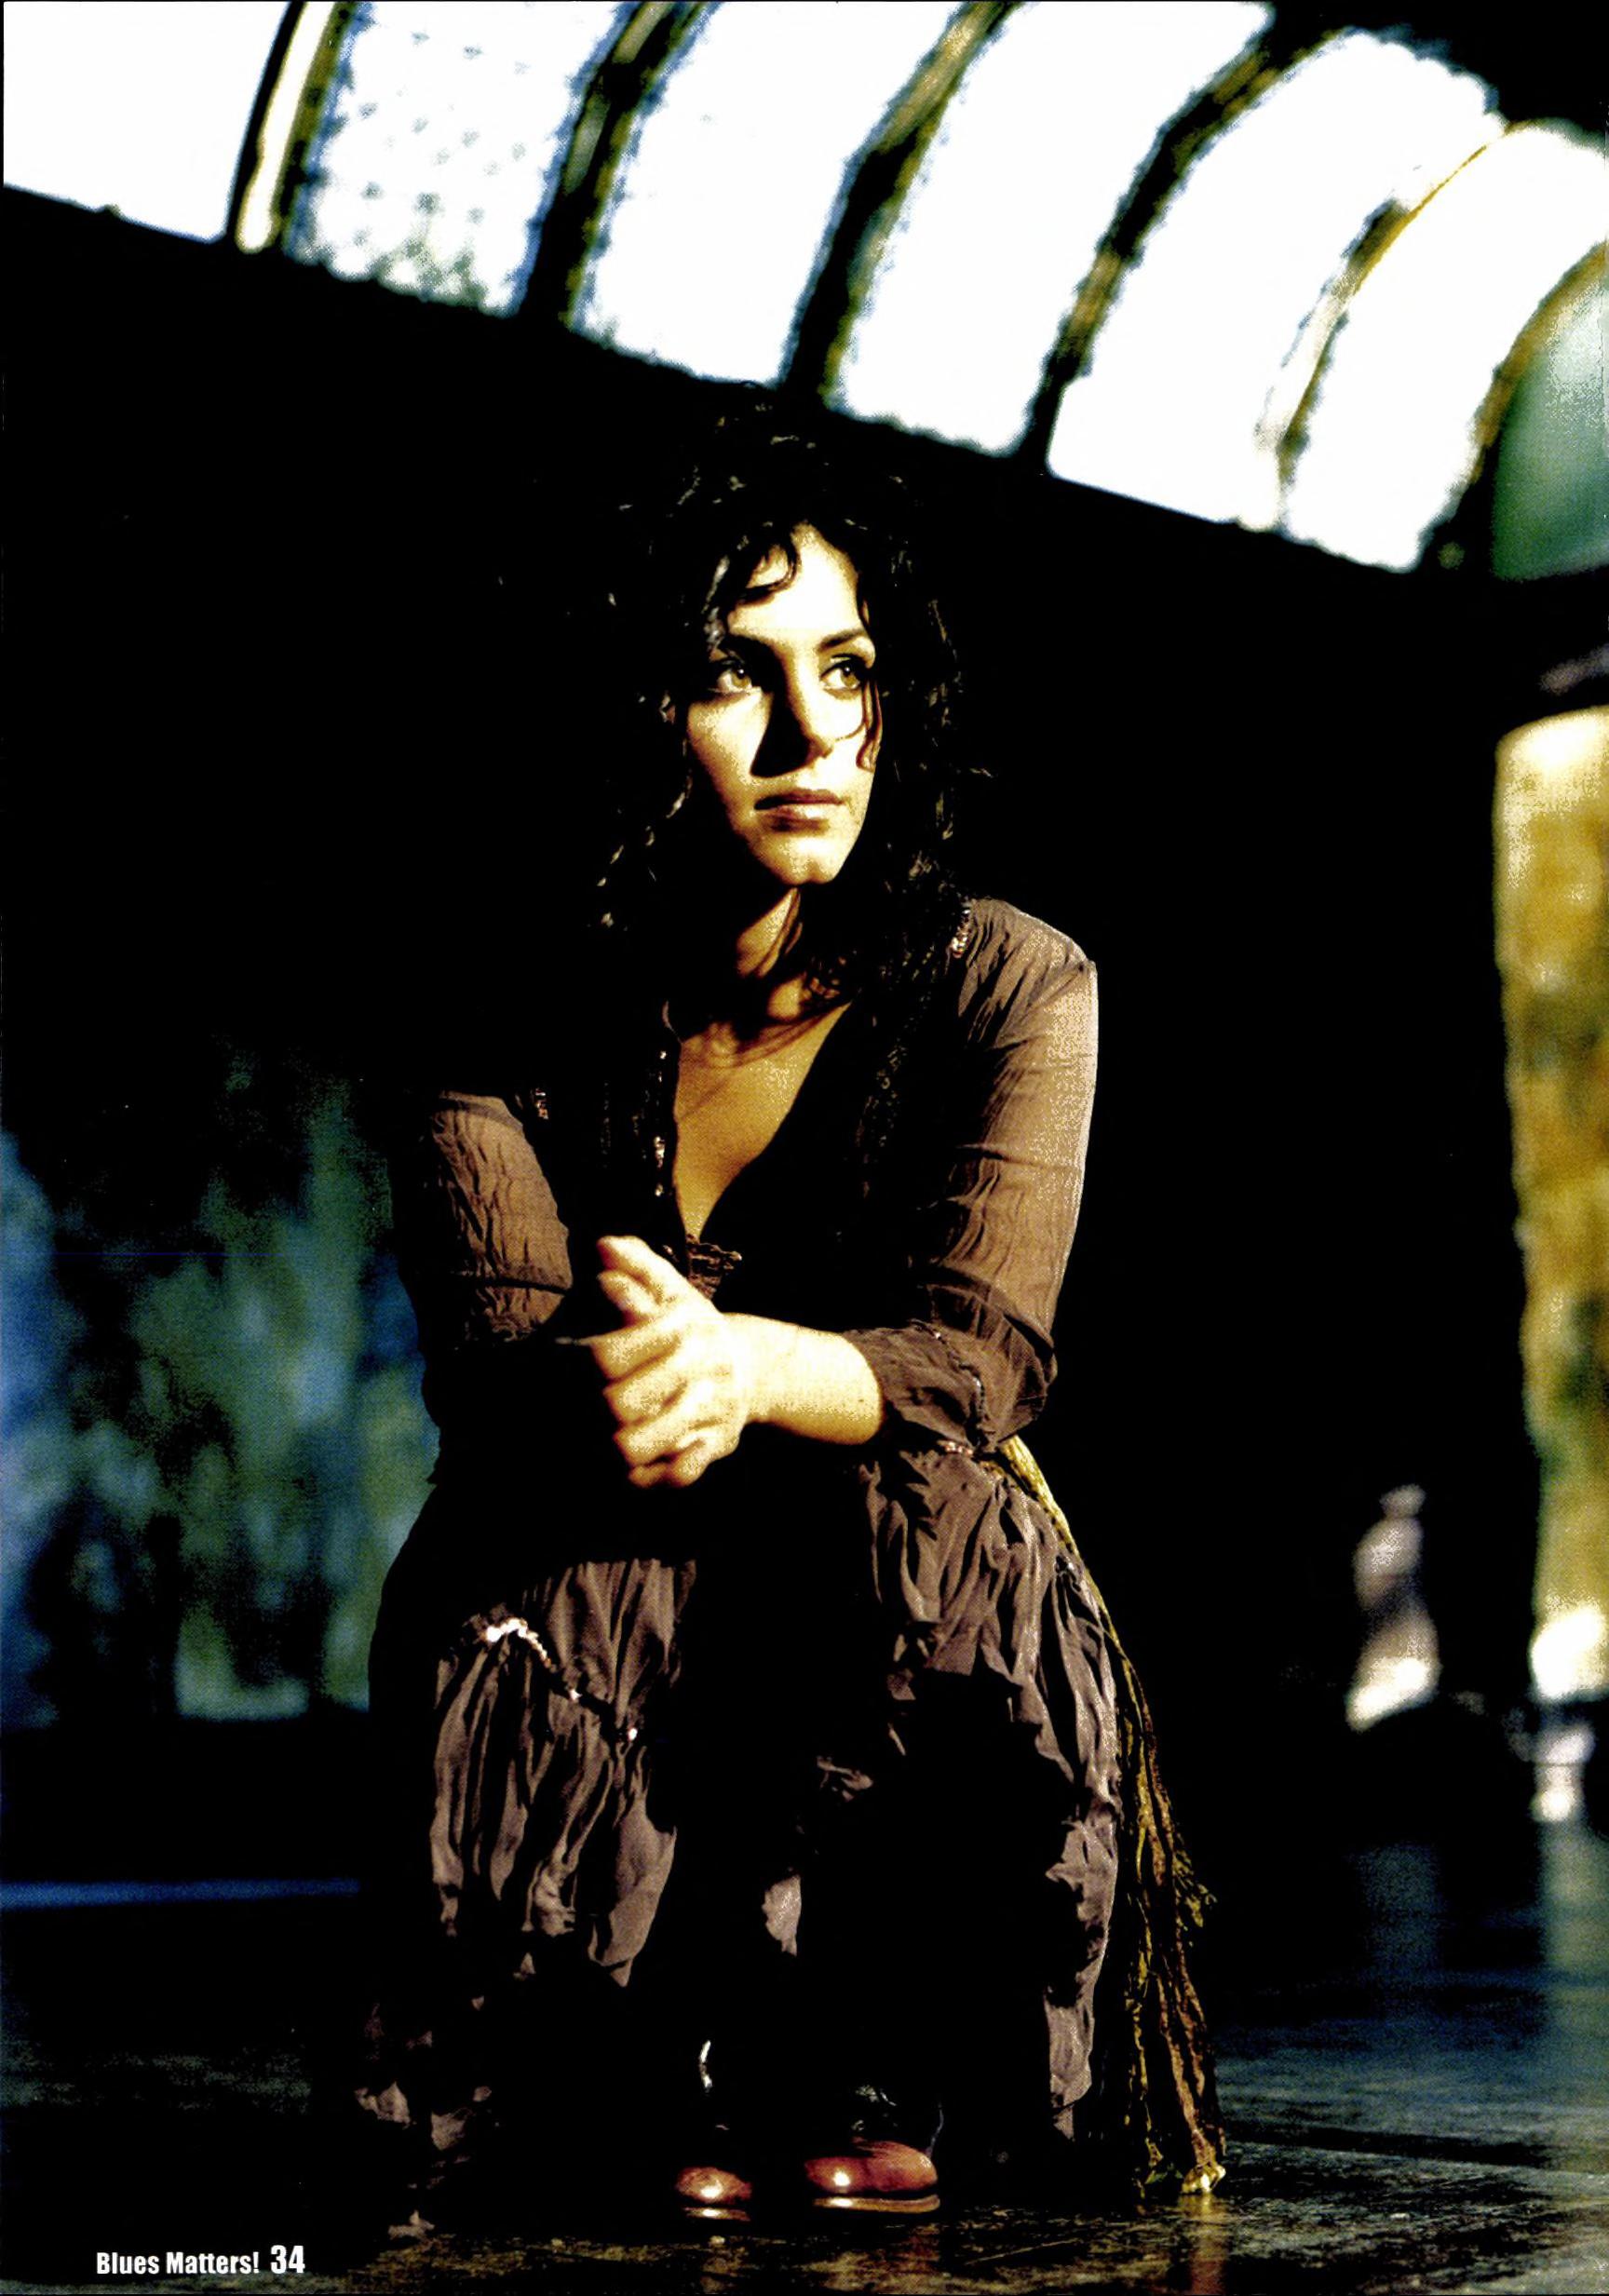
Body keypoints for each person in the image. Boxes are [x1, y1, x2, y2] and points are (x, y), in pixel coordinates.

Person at [354, 412, 1223, 2226]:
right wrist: (644, 1389)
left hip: (896, 1563)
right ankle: (637, 2050)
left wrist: (744, 1364)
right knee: (541, 1542)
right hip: (610, 1519)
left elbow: (974, 1356)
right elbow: (501, 1354)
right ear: (632, 709)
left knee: (931, 1507)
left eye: (847, 670)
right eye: (736, 674)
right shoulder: (494, 1012)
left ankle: (872, 2041)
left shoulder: (1009, 980)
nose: (813, 732)